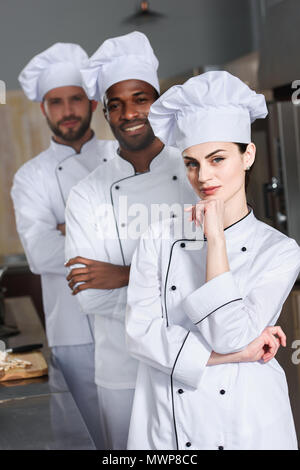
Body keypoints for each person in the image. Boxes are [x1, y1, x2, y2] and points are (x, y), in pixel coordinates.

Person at [125, 71, 300, 450]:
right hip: (170, 419)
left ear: (247, 155)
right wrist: (238, 355)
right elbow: (139, 336)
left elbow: (227, 333)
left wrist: (215, 240)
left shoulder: (280, 250)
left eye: (217, 158)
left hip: (249, 419)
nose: (203, 176)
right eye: (191, 162)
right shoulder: (158, 237)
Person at [64, 31, 198, 450]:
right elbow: (90, 297)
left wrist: (123, 274)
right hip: (120, 370)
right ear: (105, 113)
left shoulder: (195, 173)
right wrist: (178, 288)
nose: (129, 112)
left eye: (140, 98)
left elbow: (216, 276)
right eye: (116, 104)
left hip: (191, 362)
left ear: (157, 102)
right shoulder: (87, 192)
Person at [11, 43, 115, 449]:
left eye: (76, 99)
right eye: (57, 102)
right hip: (70, 330)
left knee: (139, 435)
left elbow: (147, 243)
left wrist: (67, 229)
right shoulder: (30, 177)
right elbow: (40, 254)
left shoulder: (122, 159)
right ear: (43, 108)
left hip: (129, 322)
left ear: (91, 101)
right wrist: (112, 235)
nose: (67, 110)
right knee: (82, 434)